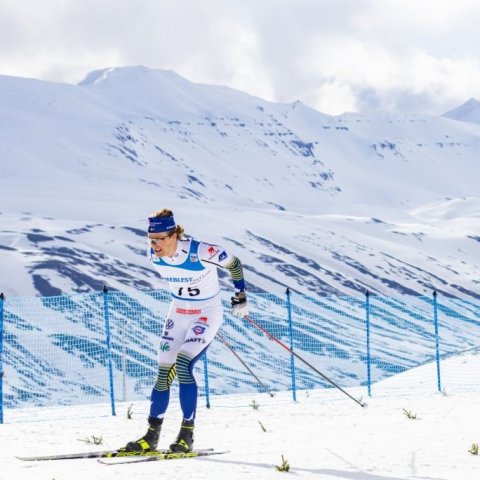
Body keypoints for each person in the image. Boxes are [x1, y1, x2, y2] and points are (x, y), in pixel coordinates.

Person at [123, 208, 248, 453]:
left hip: (206, 313)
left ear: (174, 236)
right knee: (163, 372)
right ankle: (151, 436)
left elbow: (234, 264)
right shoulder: (153, 255)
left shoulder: (201, 251)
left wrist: (241, 295)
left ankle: (186, 435)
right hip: (179, 313)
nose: (154, 245)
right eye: (151, 240)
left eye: (159, 239)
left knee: (183, 364)